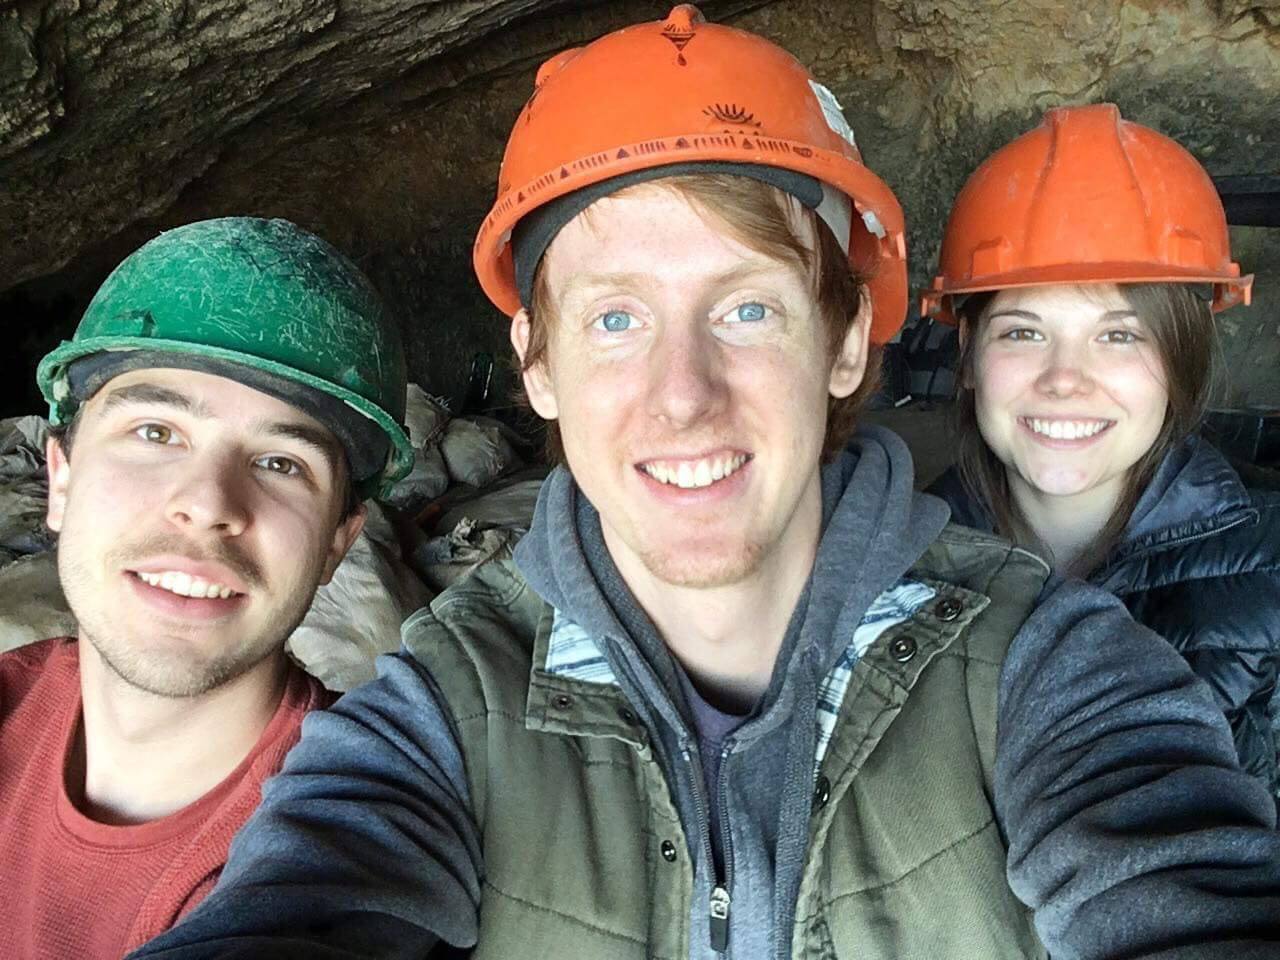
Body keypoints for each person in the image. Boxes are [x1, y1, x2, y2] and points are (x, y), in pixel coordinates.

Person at [135, 10, 1280, 960]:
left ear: (845, 344)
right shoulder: (441, 708)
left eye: (746, 309)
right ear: (535, 364)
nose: (682, 396)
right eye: (615, 318)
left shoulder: (1048, 663)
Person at [0, 216, 414, 959]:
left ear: (337, 544)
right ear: (60, 480)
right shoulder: (8, 703)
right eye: (156, 432)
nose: (208, 504)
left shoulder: (343, 843)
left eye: (281, 463)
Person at [922, 103, 1280, 796]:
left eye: (1119, 335)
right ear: (968, 355)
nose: (1065, 380)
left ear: (1179, 360)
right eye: (1023, 332)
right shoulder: (893, 567)